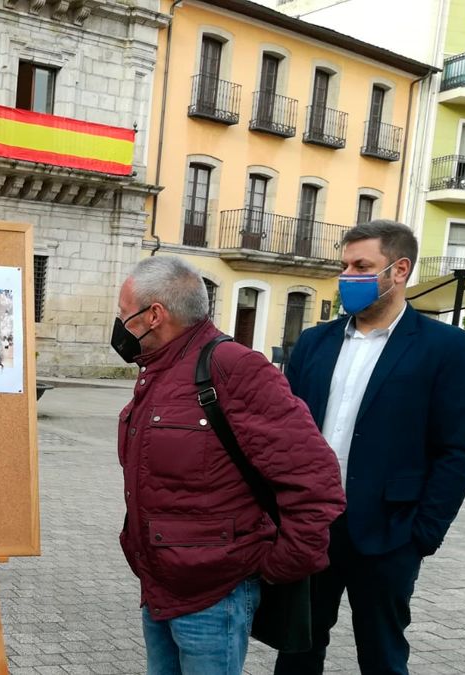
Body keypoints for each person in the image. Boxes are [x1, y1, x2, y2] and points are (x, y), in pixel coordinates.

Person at [113, 256, 345, 675]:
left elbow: (316, 481)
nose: (120, 326)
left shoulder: (233, 367)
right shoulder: (160, 370)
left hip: (214, 594)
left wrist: (280, 565)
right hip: (161, 583)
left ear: (154, 315)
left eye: (123, 315)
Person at [273, 221, 465, 675]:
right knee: (295, 652)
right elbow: (283, 434)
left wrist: (422, 536)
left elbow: (457, 451)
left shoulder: (445, 348)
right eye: (344, 265)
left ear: (399, 269)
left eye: (362, 266)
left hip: (390, 533)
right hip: (312, 528)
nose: (348, 276)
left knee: (382, 656)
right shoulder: (314, 343)